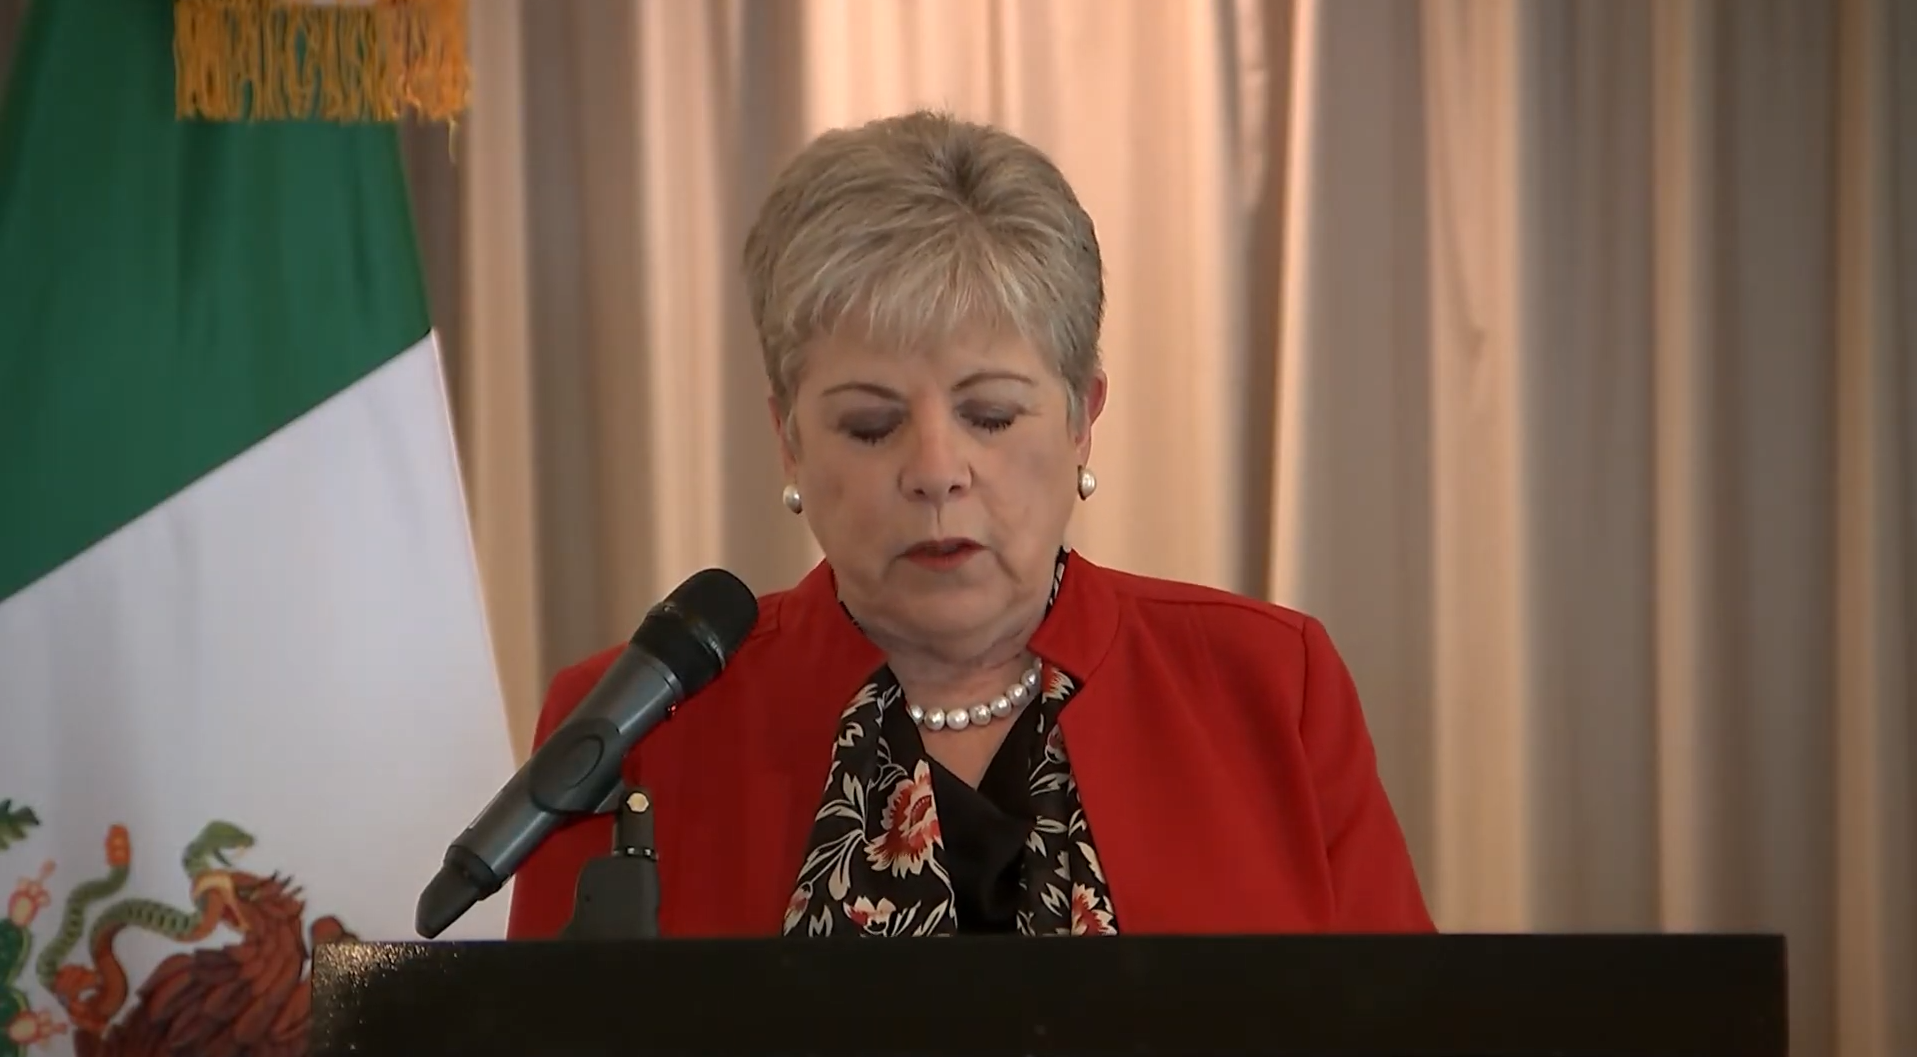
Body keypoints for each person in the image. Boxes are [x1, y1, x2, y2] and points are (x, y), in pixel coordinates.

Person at [505, 110, 1433, 940]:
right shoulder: (635, 729)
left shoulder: (1271, 687)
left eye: (988, 414)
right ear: (788, 441)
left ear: (1081, 420)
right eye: (870, 424)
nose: (936, 470)